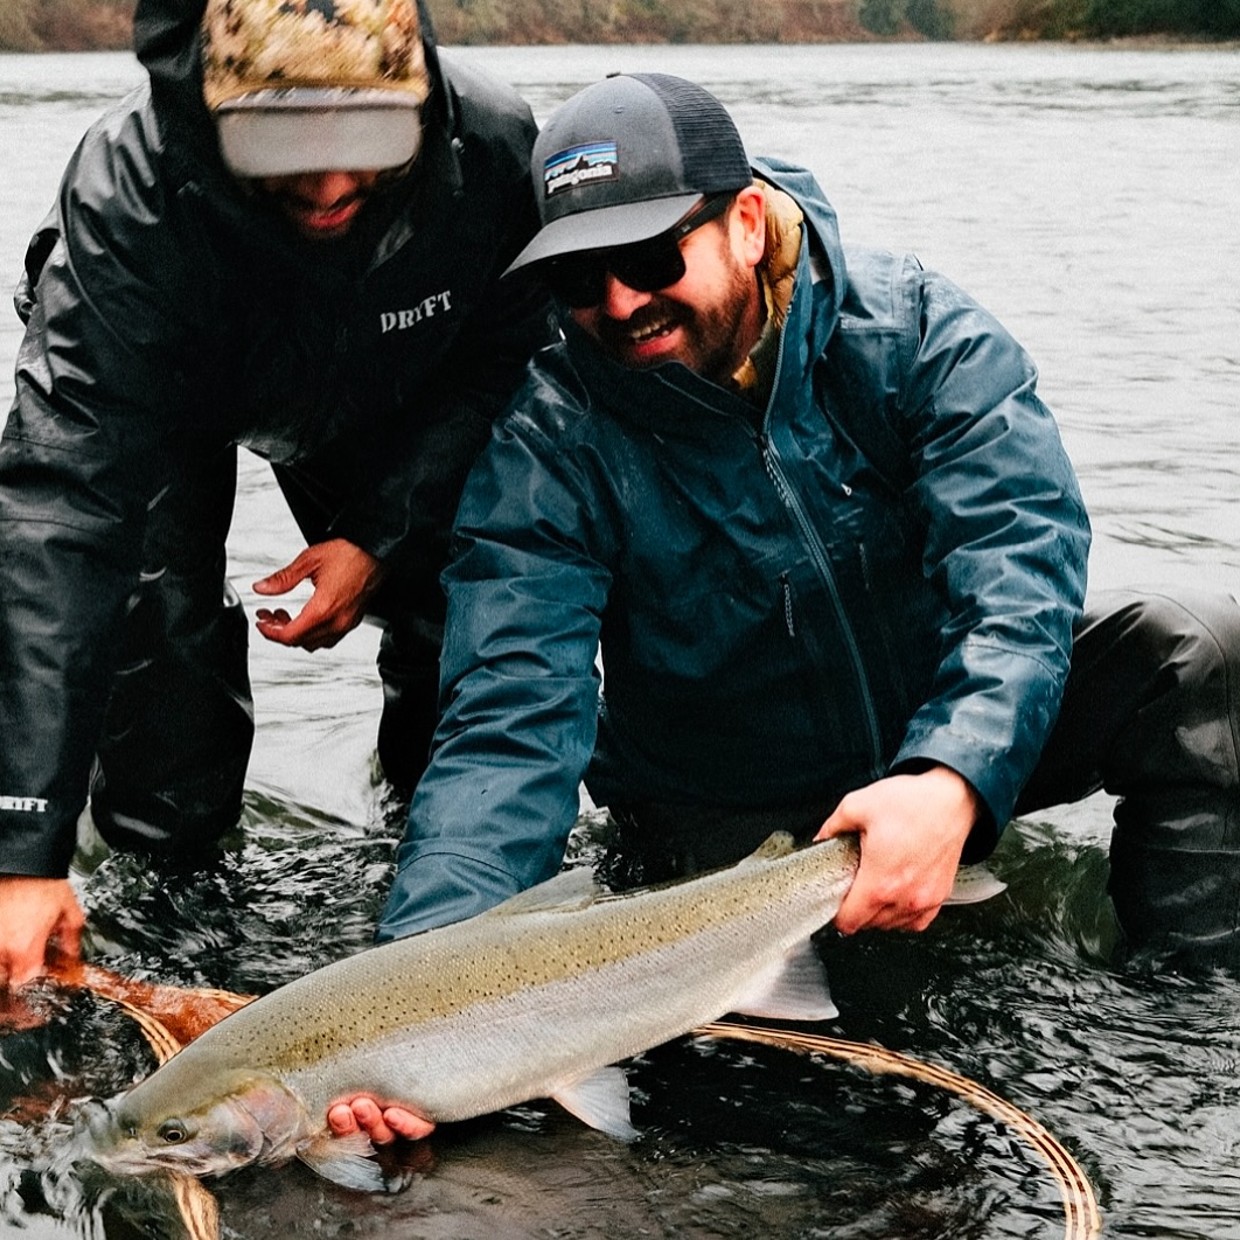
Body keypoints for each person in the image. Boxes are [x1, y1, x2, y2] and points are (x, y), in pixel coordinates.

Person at [377, 72, 1240, 970]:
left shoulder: (916, 336)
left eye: (649, 257)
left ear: (746, 224)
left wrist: (947, 776)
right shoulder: (546, 447)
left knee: (1196, 654)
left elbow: (1017, 571)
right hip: (723, 810)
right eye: (579, 276)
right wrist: (410, 980)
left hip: (931, 729)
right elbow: (507, 723)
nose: (622, 302)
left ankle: (1186, 1011)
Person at [0, 0, 551, 990]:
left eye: (367, 138)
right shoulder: (126, 197)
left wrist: (376, 535)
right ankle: (172, 921)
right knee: (153, 629)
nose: (333, 183)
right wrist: (21, 848)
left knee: (452, 595)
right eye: (285, 143)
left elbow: (502, 367)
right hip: (173, 384)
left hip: (397, 380)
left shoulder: (498, 151)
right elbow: (60, 511)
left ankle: (434, 865)